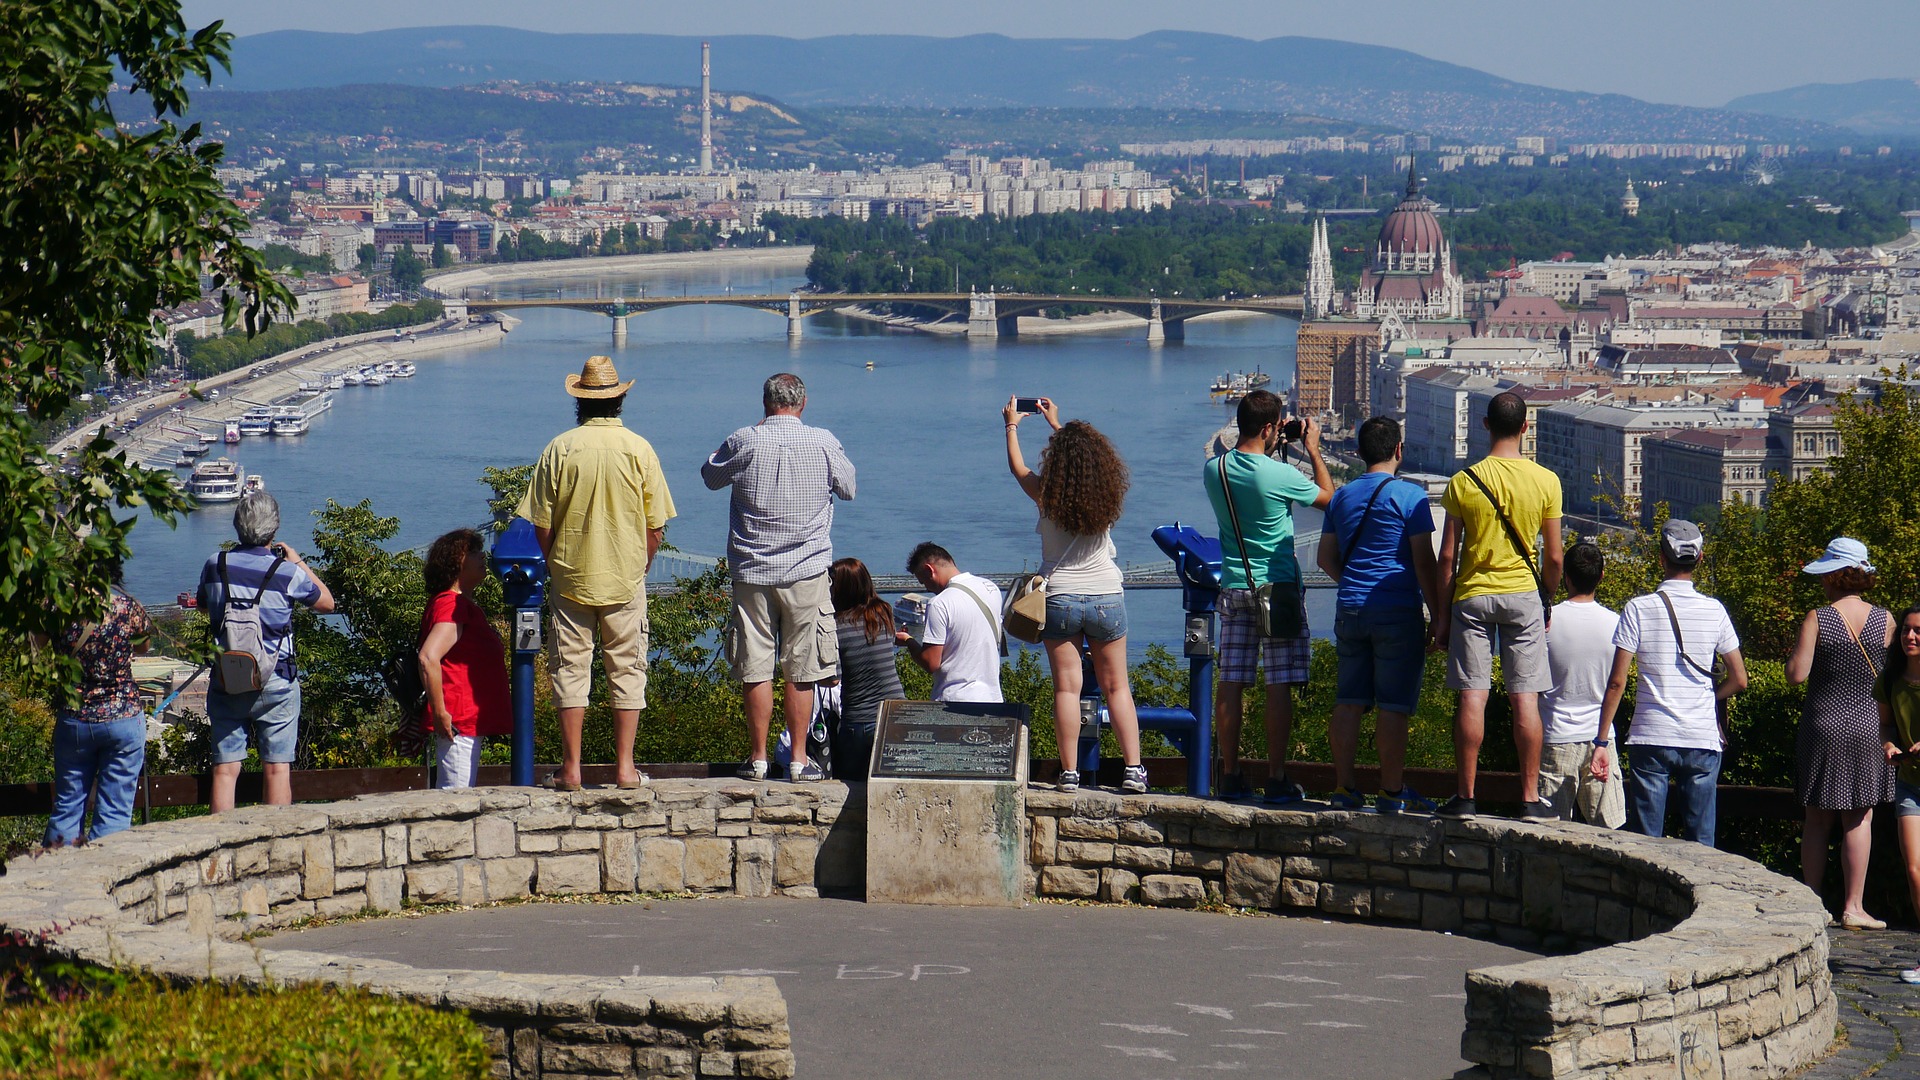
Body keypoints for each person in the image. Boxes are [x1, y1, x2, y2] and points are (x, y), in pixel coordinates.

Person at [517, 355, 676, 791]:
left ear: (579, 402)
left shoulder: (559, 448)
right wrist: (638, 563)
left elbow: (541, 523)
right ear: (620, 399)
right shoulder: (640, 449)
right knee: (628, 669)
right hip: (625, 578)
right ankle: (625, 769)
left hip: (571, 576)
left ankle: (571, 770)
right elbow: (656, 524)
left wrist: (555, 562)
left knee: (570, 670)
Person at [703, 372, 856, 783]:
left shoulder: (744, 439)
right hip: (807, 572)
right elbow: (849, 488)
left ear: (766, 403)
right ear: (802, 403)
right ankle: (799, 760)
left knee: (755, 665)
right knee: (802, 669)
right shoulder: (823, 441)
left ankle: (756, 758)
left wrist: (732, 443)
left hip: (752, 572)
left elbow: (709, 475)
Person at [1004, 396, 1147, 795]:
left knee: (1067, 688)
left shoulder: (1046, 494)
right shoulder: (1106, 497)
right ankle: (1134, 769)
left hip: (1060, 597)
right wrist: (1059, 423)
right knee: (1117, 687)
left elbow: (1018, 468)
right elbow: (1084, 454)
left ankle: (1069, 774)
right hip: (1105, 594)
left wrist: (1011, 425)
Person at [1433, 390, 1563, 821]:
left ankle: (1466, 796)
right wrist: (1547, 596)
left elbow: (1448, 556)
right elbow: (1556, 557)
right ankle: (1528, 799)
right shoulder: (1546, 481)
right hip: (1523, 594)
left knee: (1474, 695)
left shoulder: (1464, 481)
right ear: (1526, 427)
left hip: (1472, 594)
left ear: (1485, 426)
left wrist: (1441, 614)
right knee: (1525, 697)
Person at [1202, 389, 1333, 803]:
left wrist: (1276, 445)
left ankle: (1231, 774)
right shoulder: (1278, 475)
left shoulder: (1214, 469)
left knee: (1232, 681)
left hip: (1235, 586)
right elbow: (1330, 499)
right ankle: (1276, 777)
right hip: (1276, 589)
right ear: (1268, 427)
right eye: (1278, 425)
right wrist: (1311, 450)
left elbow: (1254, 476)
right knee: (1279, 684)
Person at [1590, 520, 1747, 847]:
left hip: (1651, 734)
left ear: (1661, 557)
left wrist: (1601, 740)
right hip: (1701, 736)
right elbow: (1740, 679)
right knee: (1702, 842)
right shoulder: (1714, 610)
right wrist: (1711, 697)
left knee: (1647, 843)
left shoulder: (1638, 608)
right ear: (1700, 559)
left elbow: (1617, 682)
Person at [1314, 415, 1438, 813]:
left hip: (1350, 608)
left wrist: (1352, 582)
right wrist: (1438, 616)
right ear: (1399, 451)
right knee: (1393, 706)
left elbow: (1324, 558)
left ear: (1358, 453)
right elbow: (1424, 563)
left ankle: (1344, 788)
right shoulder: (1412, 497)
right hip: (1397, 611)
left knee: (1348, 700)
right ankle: (1391, 791)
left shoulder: (1342, 498)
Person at [197, 490, 335, 813]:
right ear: (273, 531)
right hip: (277, 680)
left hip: (228, 676)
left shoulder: (215, 565)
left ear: (237, 527)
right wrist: (296, 560)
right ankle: (274, 847)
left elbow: (205, 607)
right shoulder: (286, 573)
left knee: (226, 769)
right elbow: (327, 602)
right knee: (276, 768)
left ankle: (220, 849)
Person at [1786, 537, 1893, 930]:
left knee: (1817, 820)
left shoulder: (1818, 617)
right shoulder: (1886, 620)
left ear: (1833, 574)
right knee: (1858, 818)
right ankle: (1854, 906)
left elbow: (1797, 675)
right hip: (1867, 724)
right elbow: (1891, 680)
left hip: (1823, 722)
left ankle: (1812, 901)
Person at [43, 559, 152, 845]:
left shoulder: (60, 606)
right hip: (123, 714)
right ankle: (106, 877)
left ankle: (56, 876)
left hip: (75, 716)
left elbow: (36, 641)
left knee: (68, 805)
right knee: (115, 811)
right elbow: (143, 646)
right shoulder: (129, 608)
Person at [1537, 542, 1625, 827]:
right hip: (1601, 738)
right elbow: (1617, 683)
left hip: (1554, 735)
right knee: (1612, 834)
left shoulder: (1546, 622)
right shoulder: (1617, 624)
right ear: (1601, 577)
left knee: (1547, 835)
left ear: (1567, 578)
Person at [418, 528, 511, 790]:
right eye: (473, 552)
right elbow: (428, 657)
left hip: (465, 719)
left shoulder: (459, 605)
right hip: (458, 720)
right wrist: (440, 713)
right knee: (455, 800)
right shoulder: (451, 605)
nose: (482, 556)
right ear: (456, 562)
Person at [1872, 604, 1920, 981]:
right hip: (1909, 783)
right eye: (1906, 629)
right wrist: (1888, 746)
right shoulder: (1890, 678)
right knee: (1915, 870)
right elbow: (1885, 726)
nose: (1910, 636)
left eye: (1918, 630)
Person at [828, 557, 904, 781]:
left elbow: (834, 678)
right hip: (895, 712)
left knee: (848, 784)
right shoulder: (884, 614)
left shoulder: (836, 626)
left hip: (859, 719)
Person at [899, 542, 1003, 703]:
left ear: (929, 570)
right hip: (992, 698)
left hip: (954, 700)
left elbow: (930, 663)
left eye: (923, 581)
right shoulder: (991, 588)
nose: (926, 588)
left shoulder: (939, 603)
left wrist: (908, 641)